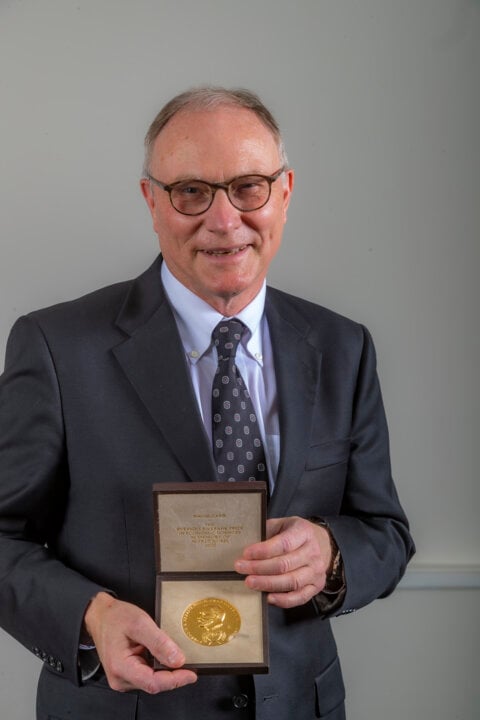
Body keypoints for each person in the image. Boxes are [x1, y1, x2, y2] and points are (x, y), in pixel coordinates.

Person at [0, 87, 414, 720]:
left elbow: (385, 532)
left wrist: (331, 556)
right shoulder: (56, 347)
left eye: (249, 187)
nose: (224, 221)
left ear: (284, 192)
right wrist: (91, 616)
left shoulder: (342, 346)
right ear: (151, 200)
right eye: (191, 191)